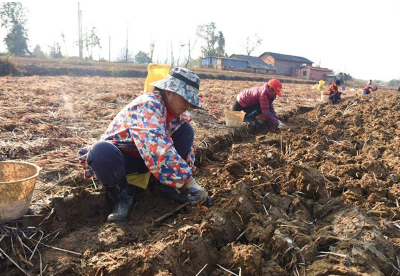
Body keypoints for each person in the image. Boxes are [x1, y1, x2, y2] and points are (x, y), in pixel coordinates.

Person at [78, 67, 211, 222]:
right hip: (123, 160)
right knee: (100, 150)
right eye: (185, 98)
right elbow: (156, 147)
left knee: (186, 130)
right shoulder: (149, 105)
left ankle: (167, 186)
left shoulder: (176, 114)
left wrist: (185, 178)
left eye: (191, 101)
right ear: (169, 91)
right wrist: (188, 182)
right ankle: (121, 197)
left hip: (147, 160)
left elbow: (185, 150)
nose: (188, 104)